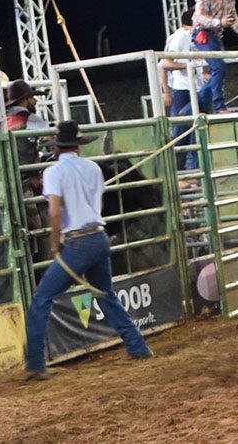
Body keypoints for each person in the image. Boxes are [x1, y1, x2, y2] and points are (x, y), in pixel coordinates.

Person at [22, 120, 152, 381]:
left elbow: (54, 211)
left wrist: (55, 243)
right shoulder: (93, 168)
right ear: (78, 145)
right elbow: (99, 204)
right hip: (98, 236)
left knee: (42, 298)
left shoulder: (53, 172)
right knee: (106, 294)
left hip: (78, 241)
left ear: (57, 147)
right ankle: (137, 345)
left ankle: (35, 362)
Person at [5, 80, 50, 263]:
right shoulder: (30, 119)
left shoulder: (1, 119)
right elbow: (51, 137)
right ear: (24, 100)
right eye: (32, 97)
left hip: (7, 182)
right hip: (27, 183)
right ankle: (42, 261)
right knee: (40, 228)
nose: (34, 101)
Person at [161, 10, 208, 171]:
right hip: (182, 89)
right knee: (182, 130)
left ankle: (195, 171)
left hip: (197, 88)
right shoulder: (180, 36)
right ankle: (178, 172)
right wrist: (167, 92)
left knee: (197, 131)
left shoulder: (197, 36)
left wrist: (202, 72)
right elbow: (165, 64)